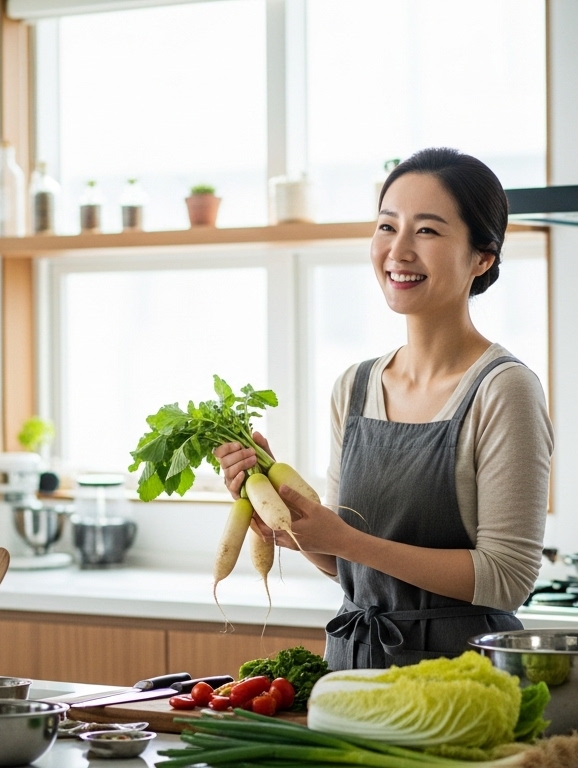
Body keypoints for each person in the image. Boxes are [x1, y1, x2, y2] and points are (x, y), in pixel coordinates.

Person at [215, 148, 552, 670]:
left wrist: (348, 539)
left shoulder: (503, 390)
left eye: (428, 231)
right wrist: (287, 522)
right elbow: (344, 561)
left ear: (482, 257)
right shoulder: (354, 386)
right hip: (352, 668)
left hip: (463, 681)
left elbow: (506, 579)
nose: (398, 250)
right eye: (386, 226)